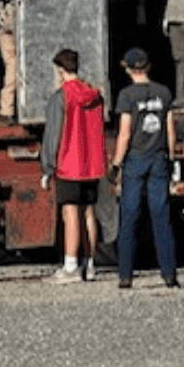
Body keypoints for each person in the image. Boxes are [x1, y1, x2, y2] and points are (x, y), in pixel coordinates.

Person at [110, 47, 178, 289]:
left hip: (135, 160)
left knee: (129, 217)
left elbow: (125, 134)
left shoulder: (127, 96)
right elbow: (170, 130)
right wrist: (170, 158)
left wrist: (116, 163)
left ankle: (126, 275)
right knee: (161, 215)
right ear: (148, 66)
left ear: (127, 68)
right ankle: (169, 273)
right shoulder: (163, 93)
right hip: (159, 157)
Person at [41, 48, 105, 283]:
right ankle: (89, 264)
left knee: (70, 213)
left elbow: (53, 134)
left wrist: (48, 166)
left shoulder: (60, 97)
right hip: (92, 163)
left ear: (59, 70)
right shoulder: (95, 95)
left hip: (69, 162)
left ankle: (70, 266)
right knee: (88, 211)